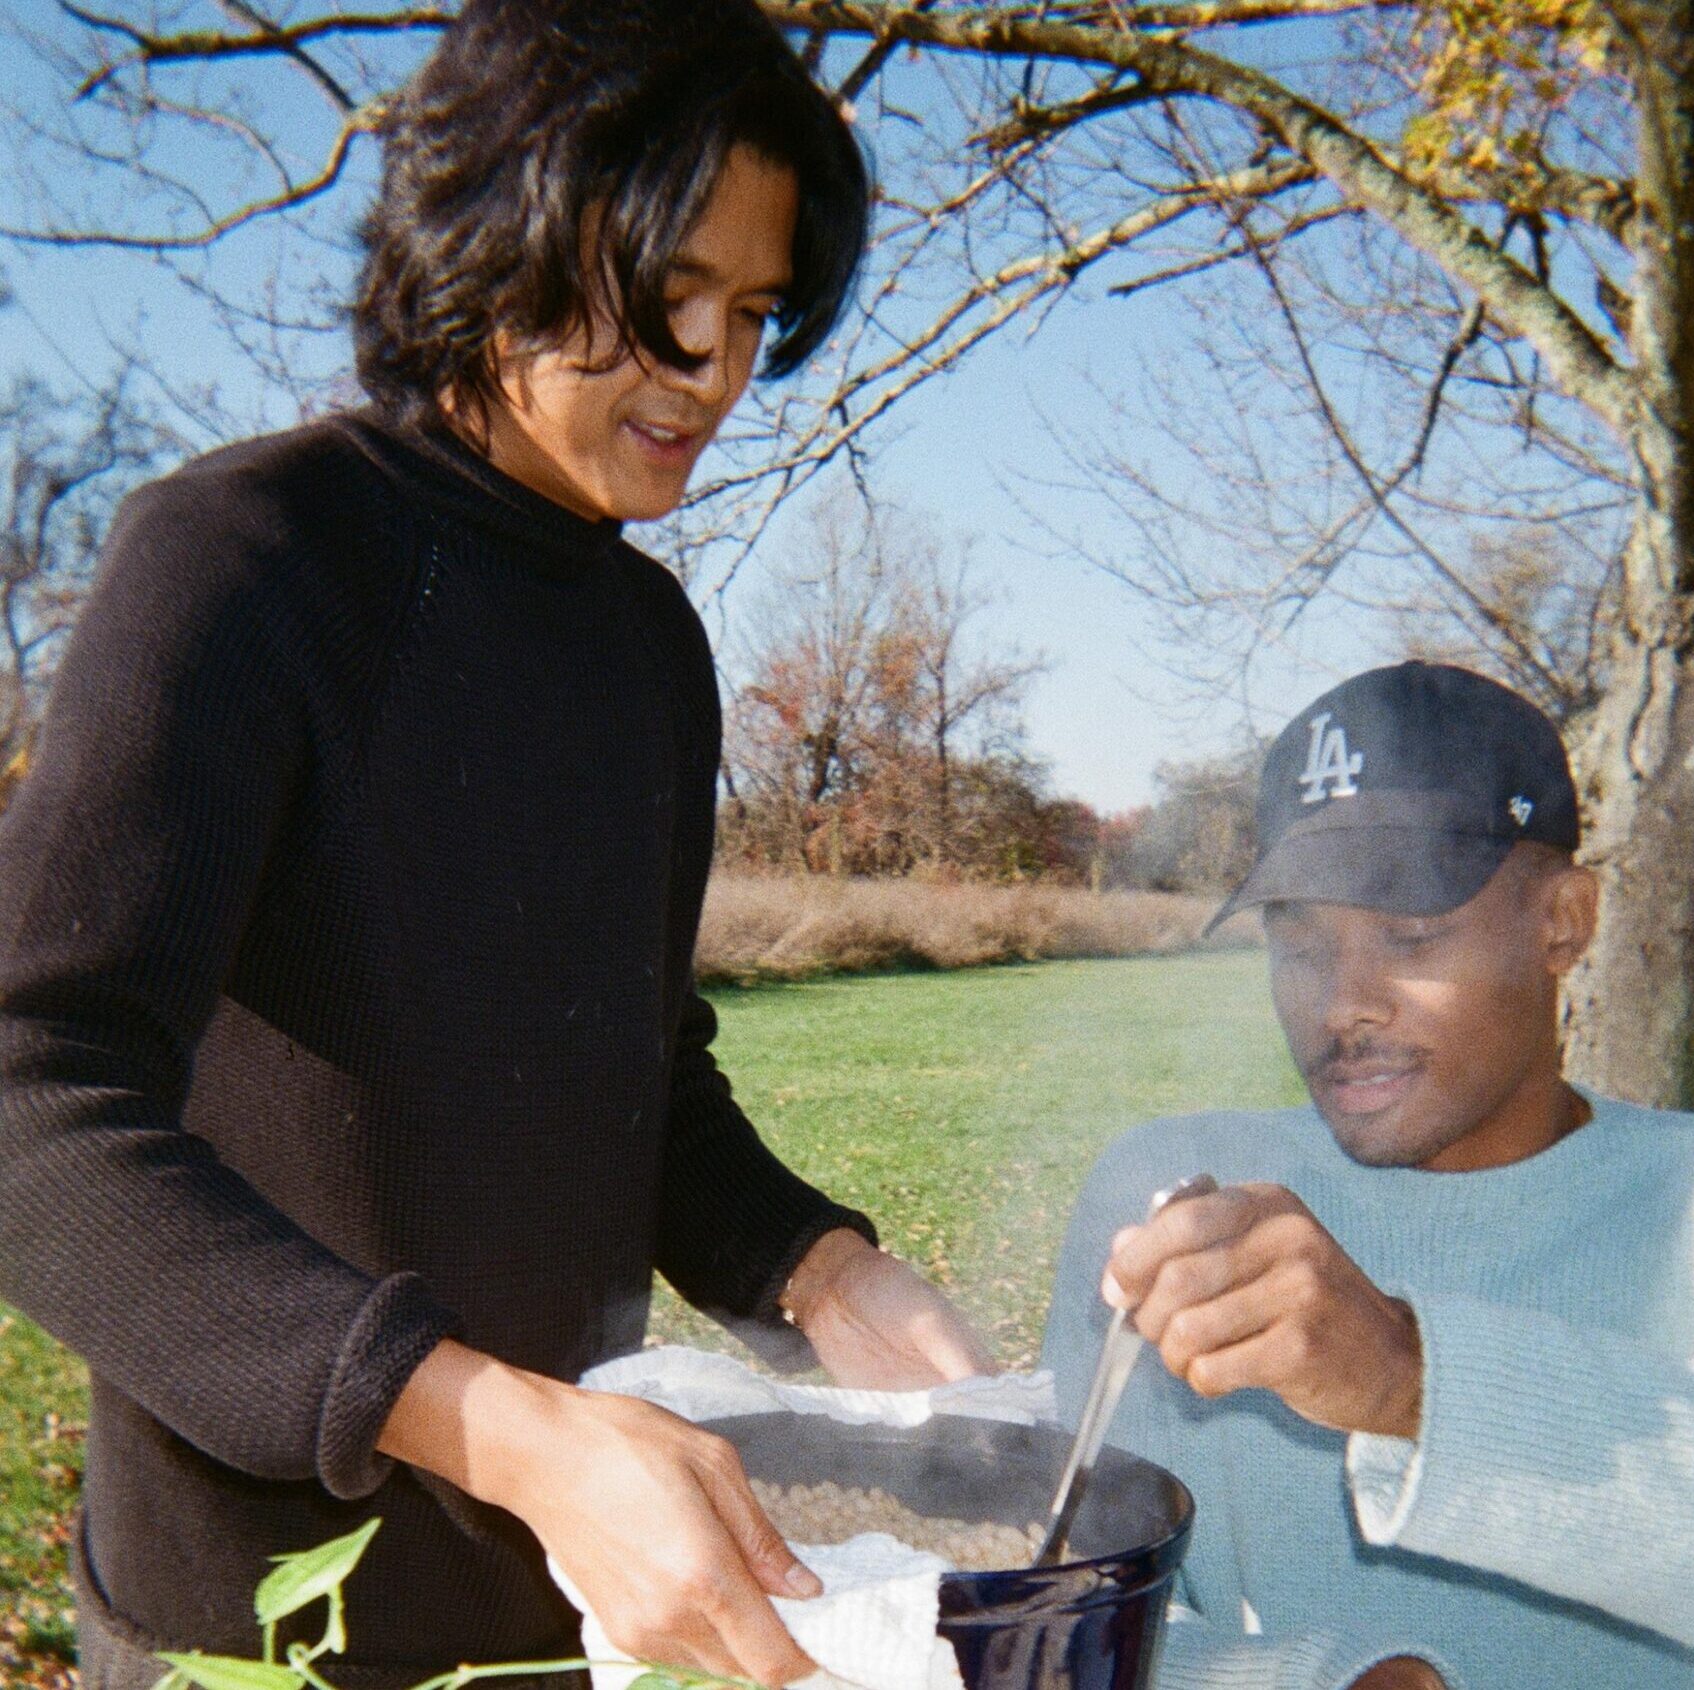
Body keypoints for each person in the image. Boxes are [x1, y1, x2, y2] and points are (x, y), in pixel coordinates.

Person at [0, 5, 991, 1687]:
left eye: (754, 311)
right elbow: (32, 1092)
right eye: (666, 288)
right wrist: (505, 1431)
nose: (714, 368)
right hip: (255, 1630)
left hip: (565, 1614)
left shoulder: (651, 650)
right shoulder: (245, 563)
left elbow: (632, 1076)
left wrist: (824, 1274)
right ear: (500, 233)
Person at [1042, 661, 1694, 1689]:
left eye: (1410, 934)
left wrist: (1410, 1378)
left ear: (1564, 922)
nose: (1342, 1002)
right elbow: (1068, 1600)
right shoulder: (1179, 1201)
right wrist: (1310, 1681)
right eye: (1298, 943)